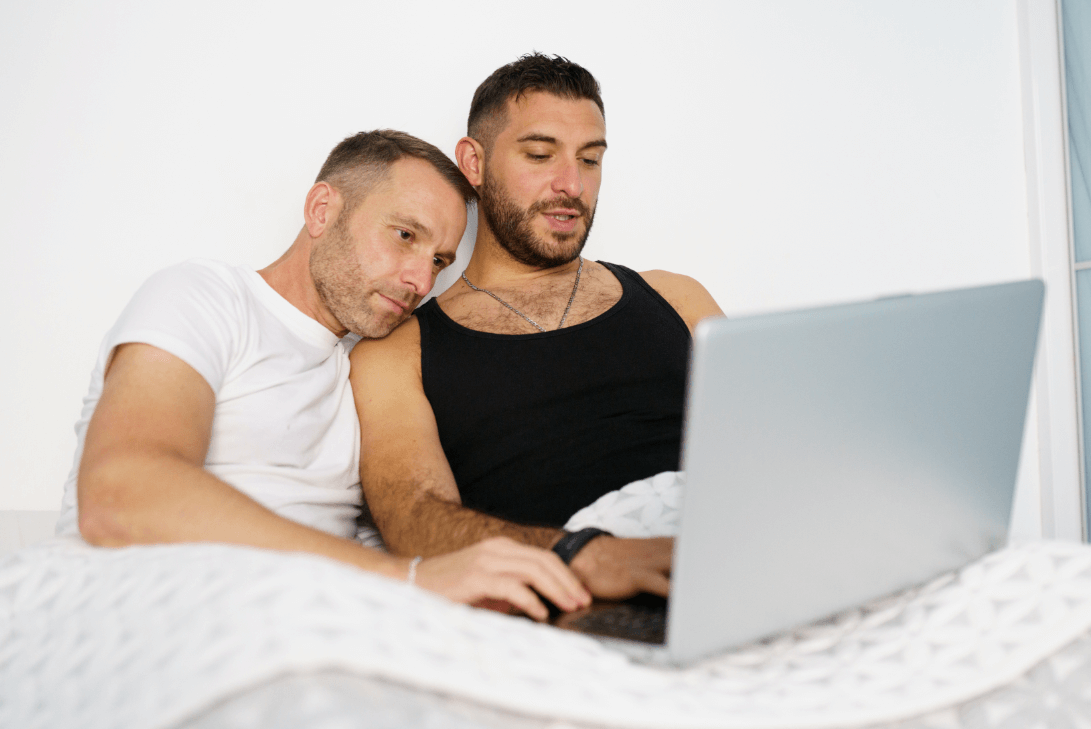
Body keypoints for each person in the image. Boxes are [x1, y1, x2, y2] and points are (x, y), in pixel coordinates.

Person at [55, 129, 590, 620]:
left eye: (439, 261)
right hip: (156, 612)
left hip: (313, 626)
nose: (419, 279)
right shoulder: (205, 297)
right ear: (321, 210)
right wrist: (404, 581)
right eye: (405, 235)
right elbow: (118, 496)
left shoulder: (371, 368)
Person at [350, 55, 724, 601]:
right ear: (473, 163)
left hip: (726, 566)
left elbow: (772, 451)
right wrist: (582, 554)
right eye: (540, 155)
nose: (571, 185)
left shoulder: (677, 297)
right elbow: (415, 520)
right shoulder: (399, 350)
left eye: (590, 160)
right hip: (579, 596)